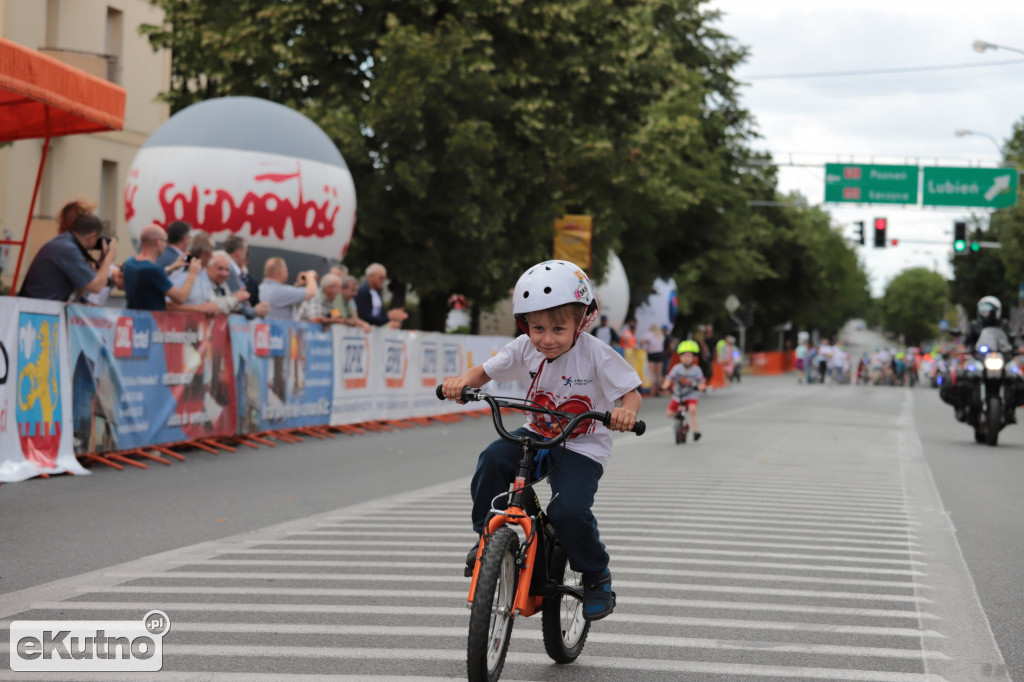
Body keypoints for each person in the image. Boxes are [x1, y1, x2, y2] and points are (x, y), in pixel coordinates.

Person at [440, 260, 641, 621]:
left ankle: (596, 573)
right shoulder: (524, 348)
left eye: (558, 329)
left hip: (583, 445)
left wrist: (626, 411)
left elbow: (631, 394)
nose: (546, 339)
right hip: (536, 434)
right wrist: (461, 382)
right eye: (537, 328)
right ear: (525, 325)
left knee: (569, 512)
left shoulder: (596, 354)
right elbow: (483, 372)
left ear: (582, 322)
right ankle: (486, 534)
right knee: (493, 460)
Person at [19, 213, 117, 301]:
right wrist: (109, 257)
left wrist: (102, 261)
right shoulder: (68, 249)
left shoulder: (64, 243)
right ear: (91, 237)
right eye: (97, 239)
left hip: (39, 308)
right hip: (39, 313)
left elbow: (84, 287)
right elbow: (95, 287)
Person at [122, 223, 203, 311]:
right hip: (151, 320)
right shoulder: (153, 269)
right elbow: (180, 298)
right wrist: (192, 274)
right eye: (165, 241)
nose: (166, 245)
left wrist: (171, 268)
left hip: (133, 318)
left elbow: (149, 281)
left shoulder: (130, 263)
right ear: (157, 242)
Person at [661, 340, 707, 441]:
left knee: (692, 410)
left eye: (689, 356)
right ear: (680, 357)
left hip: (691, 395)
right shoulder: (677, 368)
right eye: (684, 356)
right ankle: (682, 423)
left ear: (694, 358)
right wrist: (665, 386)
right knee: (669, 414)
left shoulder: (697, 370)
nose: (686, 359)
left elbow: (701, 382)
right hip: (678, 395)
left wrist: (701, 386)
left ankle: (695, 432)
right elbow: (669, 378)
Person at [206, 251, 267, 318]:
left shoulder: (223, 286)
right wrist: (235, 299)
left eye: (227, 270)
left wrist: (238, 301)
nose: (224, 273)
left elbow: (233, 306)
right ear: (208, 268)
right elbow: (214, 306)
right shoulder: (204, 284)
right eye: (220, 268)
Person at [167, 232, 218, 311]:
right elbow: (167, 305)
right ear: (203, 252)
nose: (212, 256)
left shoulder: (202, 272)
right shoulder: (181, 271)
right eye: (211, 252)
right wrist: (199, 309)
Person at [355, 263, 409, 328]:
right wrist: (388, 316)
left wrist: (392, 318)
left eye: (384, 278)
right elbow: (364, 317)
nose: (383, 281)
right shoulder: (361, 292)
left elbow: (380, 315)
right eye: (381, 278)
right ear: (371, 277)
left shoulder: (378, 293)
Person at [222, 234, 259, 304]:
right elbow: (238, 302)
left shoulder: (240, 273)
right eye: (245, 252)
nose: (245, 256)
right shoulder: (231, 270)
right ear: (239, 253)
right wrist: (253, 310)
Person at [641, 324, 665, 394]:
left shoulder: (649, 334)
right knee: (659, 374)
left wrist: (642, 345)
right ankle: (660, 390)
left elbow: (643, 341)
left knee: (651, 374)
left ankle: (652, 390)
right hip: (660, 354)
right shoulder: (660, 335)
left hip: (652, 354)